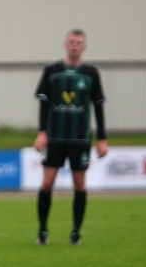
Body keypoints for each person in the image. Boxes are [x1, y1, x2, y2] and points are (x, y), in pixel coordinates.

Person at [33, 29, 108, 245]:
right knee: (47, 183)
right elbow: (43, 104)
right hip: (55, 137)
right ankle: (43, 232)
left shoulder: (91, 73)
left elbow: (99, 107)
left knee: (79, 184)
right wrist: (42, 132)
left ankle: (75, 233)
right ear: (65, 44)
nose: (75, 45)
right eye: (72, 42)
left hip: (80, 138)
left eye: (79, 42)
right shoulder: (52, 71)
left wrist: (102, 138)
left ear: (84, 47)